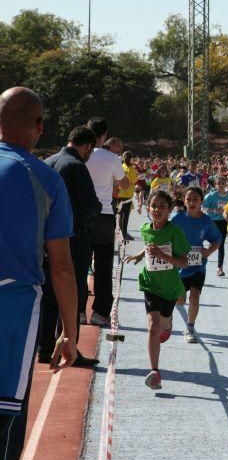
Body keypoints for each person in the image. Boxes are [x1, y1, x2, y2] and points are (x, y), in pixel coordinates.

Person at [0, 87, 78, 460]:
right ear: (39, 126)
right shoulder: (45, 178)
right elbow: (62, 267)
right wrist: (69, 332)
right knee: (6, 423)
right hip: (12, 311)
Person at [39, 125, 102, 366]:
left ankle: (45, 348)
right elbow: (90, 206)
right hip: (72, 237)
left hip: (44, 237)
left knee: (48, 294)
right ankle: (69, 347)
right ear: (87, 146)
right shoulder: (76, 166)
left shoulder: (47, 162)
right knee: (73, 293)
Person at [124, 191, 190, 389]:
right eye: (154, 206)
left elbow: (184, 263)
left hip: (169, 286)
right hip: (150, 283)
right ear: (148, 208)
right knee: (153, 326)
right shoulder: (145, 229)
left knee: (163, 324)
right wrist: (138, 256)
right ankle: (155, 371)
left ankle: (168, 326)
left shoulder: (175, 232)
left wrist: (162, 254)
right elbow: (148, 246)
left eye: (162, 206)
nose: (157, 210)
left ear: (170, 209)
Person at [85, 117, 129, 327]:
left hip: (81, 216)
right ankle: (99, 312)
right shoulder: (111, 158)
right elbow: (124, 182)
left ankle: (77, 312)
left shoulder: (80, 155)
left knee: (79, 263)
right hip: (103, 214)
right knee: (103, 266)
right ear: (104, 135)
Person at [171, 186, 221, 343]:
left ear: (201, 201)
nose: (192, 202)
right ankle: (177, 313)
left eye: (195, 199)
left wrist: (209, 251)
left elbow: (217, 239)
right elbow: (168, 237)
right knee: (179, 300)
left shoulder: (206, 221)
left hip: (198, 265)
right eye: (189, 199)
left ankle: (190, 328)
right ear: (184, 201)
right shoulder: (177, 219)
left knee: (195, 296)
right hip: (180, 266)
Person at [203, 175, 228, 277]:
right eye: (218, 183)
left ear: (226, 184)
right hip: (213, 222)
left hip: (225, 222)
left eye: (222, 183)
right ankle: (201, 263)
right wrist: (215, 210)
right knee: (212, 245)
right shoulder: (211, 196)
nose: (220, 185)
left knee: (220, 244)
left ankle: (219, 268)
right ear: (215, 185)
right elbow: (203, 208)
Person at [117, 151, 137, 241]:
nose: (127, 158)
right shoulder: (122, 167)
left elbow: (133, 181)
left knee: (124, 215)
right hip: (121, 194)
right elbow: (133, 181)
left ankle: (123, 232)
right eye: (126, 157)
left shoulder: (130, 168)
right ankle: (122, 233)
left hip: (127, 195)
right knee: (122, 215)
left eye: (129, 157)